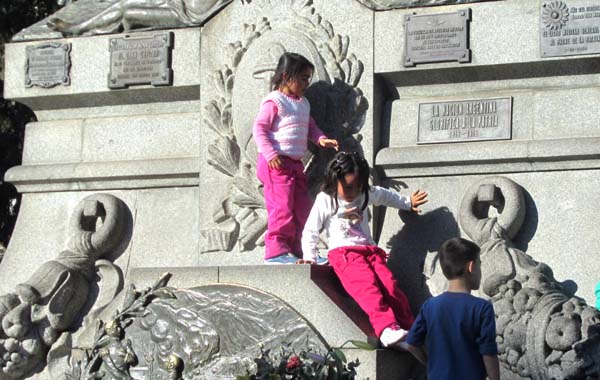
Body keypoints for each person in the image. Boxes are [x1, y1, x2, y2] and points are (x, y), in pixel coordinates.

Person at [301, 151, 428, 348]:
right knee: (367, 288)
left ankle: (408, 327)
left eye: (358, 186)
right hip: (345, 254)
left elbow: (385, 196)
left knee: (391, 286)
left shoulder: (364, 194)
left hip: (370, 251)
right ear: (335, 181)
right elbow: (310, 230)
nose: (353, 192)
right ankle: (386, 329)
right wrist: (309, 257)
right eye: (348, 187)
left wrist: (407, 203)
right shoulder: (327, 199)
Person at [253, 52, 338, 265]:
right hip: (276, 163)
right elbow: (259, 128)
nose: (306, 83)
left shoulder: (303, 103)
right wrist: (271, 154)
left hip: (295, 164)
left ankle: (303, 250)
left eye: (308, 78)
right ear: (285, 76)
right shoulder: (275, 101)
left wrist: (322, 140)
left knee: (303, 208)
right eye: (302, 78)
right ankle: (275, 251)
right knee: (281, 208)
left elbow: (310, 127)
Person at [405, 237, 500, 380]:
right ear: (471, 267)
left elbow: (411, 344)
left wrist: (431, 364)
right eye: (480, 265)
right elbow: (489, 353)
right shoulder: (482, 308)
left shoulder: (430, 306)